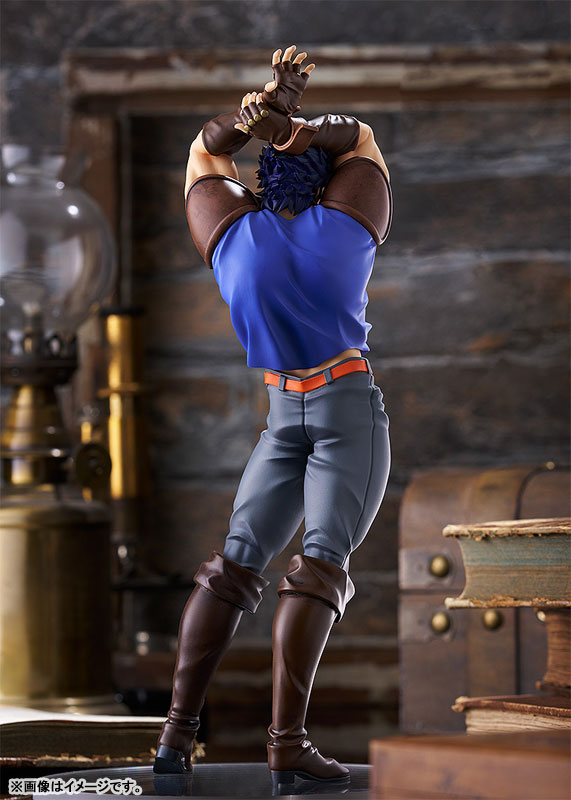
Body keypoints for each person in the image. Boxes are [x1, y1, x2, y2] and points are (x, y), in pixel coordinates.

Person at [154, 45, 393, 793]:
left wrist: (251, 114)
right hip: (345, 407)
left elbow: (204, 152)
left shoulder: (235, 242)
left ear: (254, 187)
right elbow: (358, 140)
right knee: (318, 568)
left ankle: (175, 737)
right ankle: (286, 745)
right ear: (330, 185)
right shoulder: (346, 233)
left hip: (280, 415)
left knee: (233, 567)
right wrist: (296, 126)